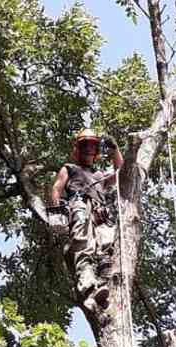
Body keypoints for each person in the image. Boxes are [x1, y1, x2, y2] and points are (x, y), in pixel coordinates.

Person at [51, 129, 124, 310]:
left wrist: (114, 150)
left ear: (96, 152)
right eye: (85, 146)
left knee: (105, 246)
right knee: (83, 246)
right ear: (78, 149)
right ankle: (89, 288)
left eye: (91, 146)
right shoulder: (70, 168)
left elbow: (121, 172)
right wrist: (56, 213)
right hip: (80, 206)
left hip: (100, 212)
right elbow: (57, 188)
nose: (88, 150)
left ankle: (104, 284)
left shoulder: (99, 175)